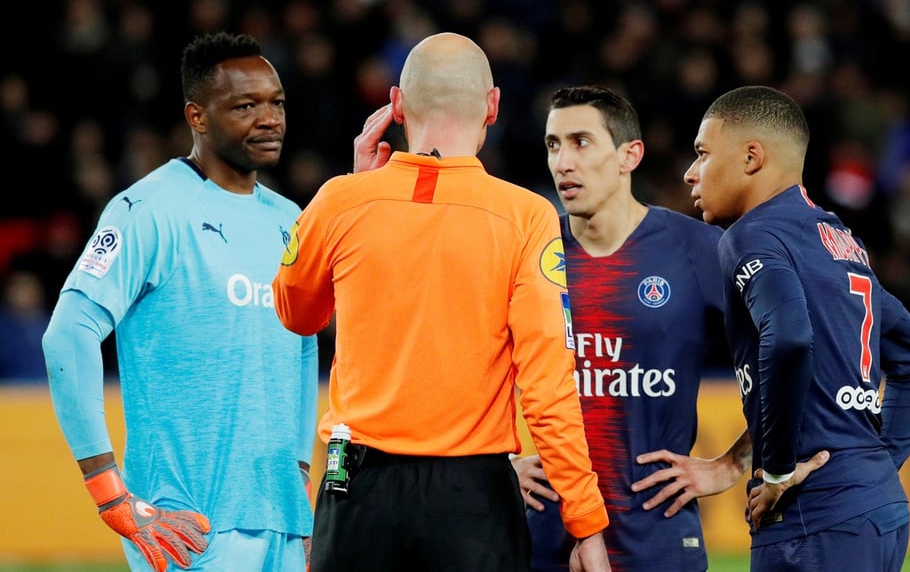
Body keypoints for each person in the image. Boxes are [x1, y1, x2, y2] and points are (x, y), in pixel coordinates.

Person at [273, 32, 611, 572]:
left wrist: (357, 194)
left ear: (398, 105)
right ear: (493, 106)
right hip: (472, 499)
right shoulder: (526, 217)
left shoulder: (340, 200)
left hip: (357, 489)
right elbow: (548, 382)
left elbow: (296, 314)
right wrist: (585, 521)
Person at [510, 85, 828, 571]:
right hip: (543, 532)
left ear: (629, 155)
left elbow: (796, 348)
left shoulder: (698, 249)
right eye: (553, 145)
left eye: (580, 142)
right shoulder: (529, 252)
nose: (562, 162)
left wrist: (734, 462)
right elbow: (460, 361)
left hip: (656, 534)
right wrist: (493, 462)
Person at [41, 31, 319, 572]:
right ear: (197, 116)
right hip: (189, 528)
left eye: (276, 103)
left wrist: (299, 487)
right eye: (245, 105)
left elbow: (303, 348)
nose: (270, 118)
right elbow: (67, 335)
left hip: (284, 526)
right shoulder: (148, 210)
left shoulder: (292, 220)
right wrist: (110, 493)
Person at [682, 85, 910, 571]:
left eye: (701, 154)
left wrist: (778, 470)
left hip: (814, 517)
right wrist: (873, 466)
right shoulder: (839, 241)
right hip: (873, 509)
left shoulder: (751, 235)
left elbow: (787, 340)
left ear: (751, 157)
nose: (690, 173)